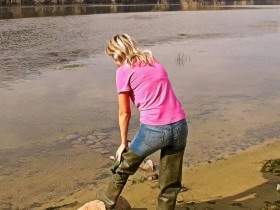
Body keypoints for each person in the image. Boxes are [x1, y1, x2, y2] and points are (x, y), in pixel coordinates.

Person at [98, 33, 188, 210]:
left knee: (123, 167)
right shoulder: (154, 61)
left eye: (112, 57)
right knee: (170, 183)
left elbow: (124, 112)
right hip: (180, 126)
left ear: (117, 54)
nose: (113, 61)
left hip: (154, 130)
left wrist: (123, 143)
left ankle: (105, 204)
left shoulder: (123, 71)